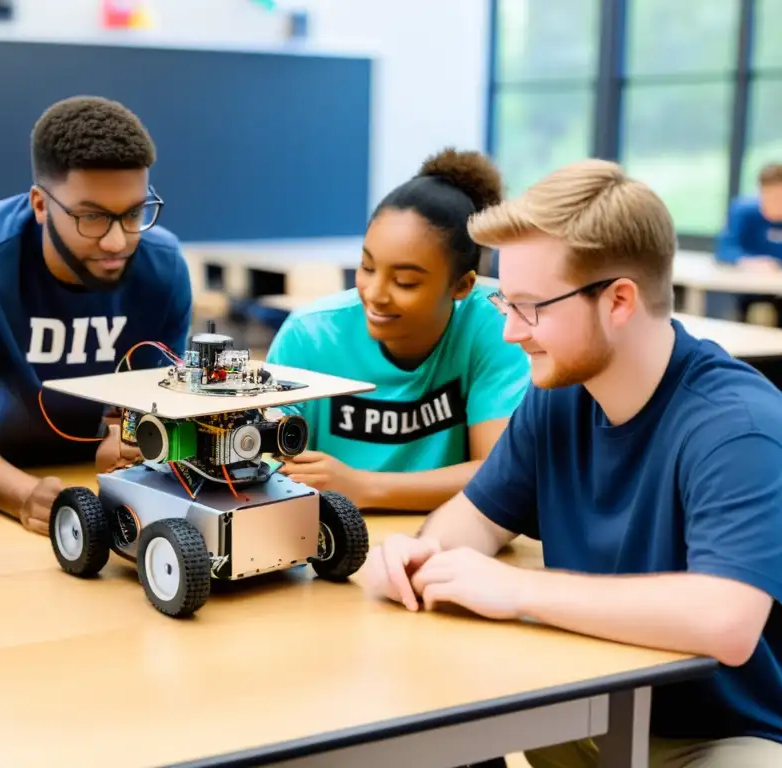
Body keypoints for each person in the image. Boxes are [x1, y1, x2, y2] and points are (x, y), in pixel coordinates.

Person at [362, 159, 782, 766]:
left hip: (724, 736)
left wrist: (519, 589)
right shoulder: (557, 397)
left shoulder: (737, 426)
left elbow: (726, 621)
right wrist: (415, 556)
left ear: (618, 302)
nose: (510, 333)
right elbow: (471, 525)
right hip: (589, 701)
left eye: (530, 307)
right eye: (504, 303)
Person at [0, 96, 192, 536]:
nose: (117, 242)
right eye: (92, 217)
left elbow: (154, 406)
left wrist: (123, 439)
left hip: (104, 490)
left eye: (134, 213)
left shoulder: (165, 266)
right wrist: (24, 494)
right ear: (40, 205)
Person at [265, 148, 529, 512]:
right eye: (367, 267)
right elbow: (263, 468)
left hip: (447, 541)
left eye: (405, 282)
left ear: (462, 286)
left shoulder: (496, 324)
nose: (374, 294)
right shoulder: (307, 336)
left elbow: (503, 475)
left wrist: (364, 487)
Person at [713, 161, 782, 324]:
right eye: (769, 197)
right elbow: (724, 249)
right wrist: (748, 261)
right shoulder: (743, 211)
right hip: (749, 290)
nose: (775, 203)